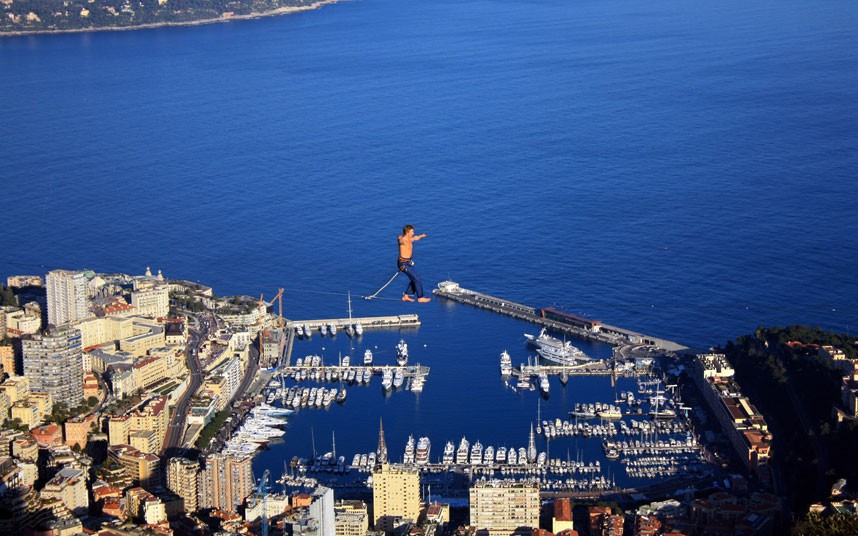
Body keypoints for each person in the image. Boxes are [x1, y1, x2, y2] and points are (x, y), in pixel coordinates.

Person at [398, 225, 430, 303]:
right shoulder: (403, 241)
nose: (413, 233)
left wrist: (422, 236)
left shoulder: (409, 239)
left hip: (408, 262)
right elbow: (400, 242)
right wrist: (399, 239)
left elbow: (415, 238)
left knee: (415, 279)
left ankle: (406, 296)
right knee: (417, 279)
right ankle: (420, 297)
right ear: (407, 232)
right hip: (403, 264)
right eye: (412, 231)